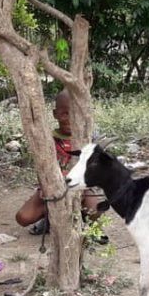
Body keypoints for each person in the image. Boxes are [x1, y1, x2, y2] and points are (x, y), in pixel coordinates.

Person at [15, 91, 105, 239]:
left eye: (75, 114)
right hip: (53, 187)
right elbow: (41, 167)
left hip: (83, 187)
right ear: (55, 114)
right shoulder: (48, 139)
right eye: (64, 114)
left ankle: (86, 224)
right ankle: (50, 219)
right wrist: (45, 186)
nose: (70, 119)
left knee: (96, 208)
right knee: (23, 217)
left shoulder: (89, 137)